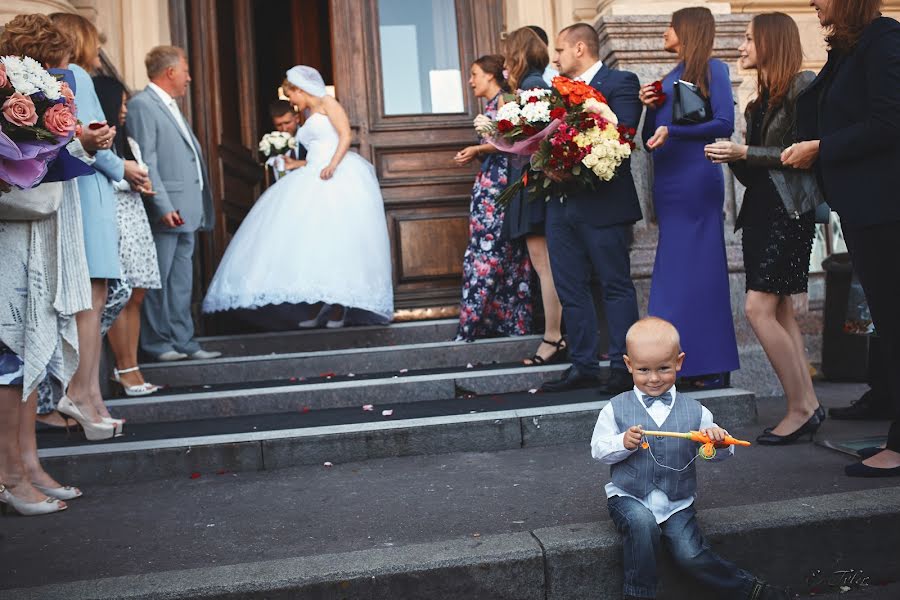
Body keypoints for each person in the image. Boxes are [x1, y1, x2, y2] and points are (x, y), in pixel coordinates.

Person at [591, 317, 789, 600]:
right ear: (628, 365)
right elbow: (598, 449)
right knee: (641, 524)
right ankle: (638, 594)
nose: (654, 378)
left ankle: (749, 590)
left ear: (679, 362)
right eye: (644, 369)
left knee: (691, 554)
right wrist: (622, 443)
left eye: (663, 368)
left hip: (677, 502)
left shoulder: (696, 411)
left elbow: (713, 455)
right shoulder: (615, 408)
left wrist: (718, 444)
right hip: (628, 496)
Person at [788, 0, 900, 476]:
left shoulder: (884, 41)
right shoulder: (849, 47)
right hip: (866, 207)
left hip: (887, 208)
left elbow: (890, 122)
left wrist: (822, 148)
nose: (812, 2)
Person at [703, 14, 824, 444]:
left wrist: (746, 149)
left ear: (771, 43)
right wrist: (732, 156)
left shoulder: (802, 86)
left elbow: (801, 156)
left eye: (750, 39)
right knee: (779, 310)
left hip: (788, 212)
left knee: (757, 309)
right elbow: (755, 174)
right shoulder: (759, 102)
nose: (741, 47)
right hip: (761, 210)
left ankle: (801, 407)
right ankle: (807, 403)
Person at [0, 14, 100, 515]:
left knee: (24, 363)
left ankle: (29, 465)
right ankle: (10, 474)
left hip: (36, 231)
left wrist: (78, 144)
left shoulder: (39, 93)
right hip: (10, 236)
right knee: (9, 361)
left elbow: (43, 160)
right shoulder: (10, 90)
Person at [202, 66, 394, 327]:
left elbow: (345, 135)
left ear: (299, 89)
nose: (290, 101)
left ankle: (339, 307)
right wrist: (294, 165)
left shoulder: (328, 103)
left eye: (291, 95)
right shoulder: (306, 114)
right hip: (314, 173)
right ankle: (319, 305)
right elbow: (314, 153)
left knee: (338, 242)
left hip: (335, 175)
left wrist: (333, 165)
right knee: (314, 244)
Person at [50, 11, 146, 435]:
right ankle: (83, 393)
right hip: (89, 190)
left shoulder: (50, 76)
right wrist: (124, 167)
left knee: (88, 295)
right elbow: (96, 136)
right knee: (92, 294)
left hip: (74, 188)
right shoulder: (76, 76)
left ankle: (91, 395)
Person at [638, 7, 738, 389]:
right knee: (675, 274)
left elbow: (725, 123)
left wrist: (672, 131)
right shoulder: (668, 78)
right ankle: (680, 364)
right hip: (669, 184)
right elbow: (653, 137)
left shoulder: (714, 70)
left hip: (696, 180)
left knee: (702, 272)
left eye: (670, 26)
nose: (665, 32)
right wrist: (650, 109)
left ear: (687, 31)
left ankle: (711, 365)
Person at [541, 23, 642, 394]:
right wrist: (544, 159)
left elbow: (624, 135)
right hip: (560, 206)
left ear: (580, 48)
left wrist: (571, 160)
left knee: (614, 285)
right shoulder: (551, 93)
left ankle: (621, 366)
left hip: (604, 204)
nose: (555, 58)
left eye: (560, 50)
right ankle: (582, 365)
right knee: (570, 287)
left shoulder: (621, 82)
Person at [127, 45, 221, 362]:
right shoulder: (143, 104)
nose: (189, 78)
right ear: (170, 72)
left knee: (181, 280)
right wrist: (163, 206)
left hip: (186, 210)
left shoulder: (170, 106)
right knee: (159, 278)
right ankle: (157, 343)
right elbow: (146, 159)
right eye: (185, 71)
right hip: (168, 210)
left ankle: (185, 341)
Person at [453, 55, 532, 341]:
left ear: (490, 75)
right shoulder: (489, 105)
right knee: (494, 252)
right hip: (493, 184)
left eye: (475, 74)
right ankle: (500, 324)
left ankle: (475, 326)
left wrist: (479, 148)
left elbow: (513, 143)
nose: (471, 80)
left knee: (493, 253)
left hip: (500, 188)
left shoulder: (505, 99)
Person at [93, 75, 163, 396]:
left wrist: (143, 184)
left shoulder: (128, 141)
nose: (125, 109)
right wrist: (131, 178)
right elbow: (107, 178)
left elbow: (140, 175)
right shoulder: (97, 143)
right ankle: (125, 370)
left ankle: (132, 366)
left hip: (136, 220)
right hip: (115, 221)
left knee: (137, 294)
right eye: (121, 103)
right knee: (119, 297)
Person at [499, 28, 564, 362]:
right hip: (530, 181)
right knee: (544, 264)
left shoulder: (532, 85)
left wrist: (493, 130)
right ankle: (555, 334)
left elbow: (535, 135)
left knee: (545, 265)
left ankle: (553, 337)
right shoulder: (534, 83)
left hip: (532, 183)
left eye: (508, 52)